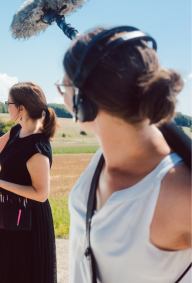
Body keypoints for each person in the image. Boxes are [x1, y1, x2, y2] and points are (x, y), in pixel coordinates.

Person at [59, 27, 191, 282]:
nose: (63, 96)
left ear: (83, 102)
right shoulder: (101, 160)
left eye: (64, 86)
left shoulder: (180, 193)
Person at [0, 82, 58, 283]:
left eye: (9, 103)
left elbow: (41, 194)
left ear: (21, 108)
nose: (7, 106)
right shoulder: (17, 131)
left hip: (29, 222)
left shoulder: (37, 145)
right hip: (12, 216)